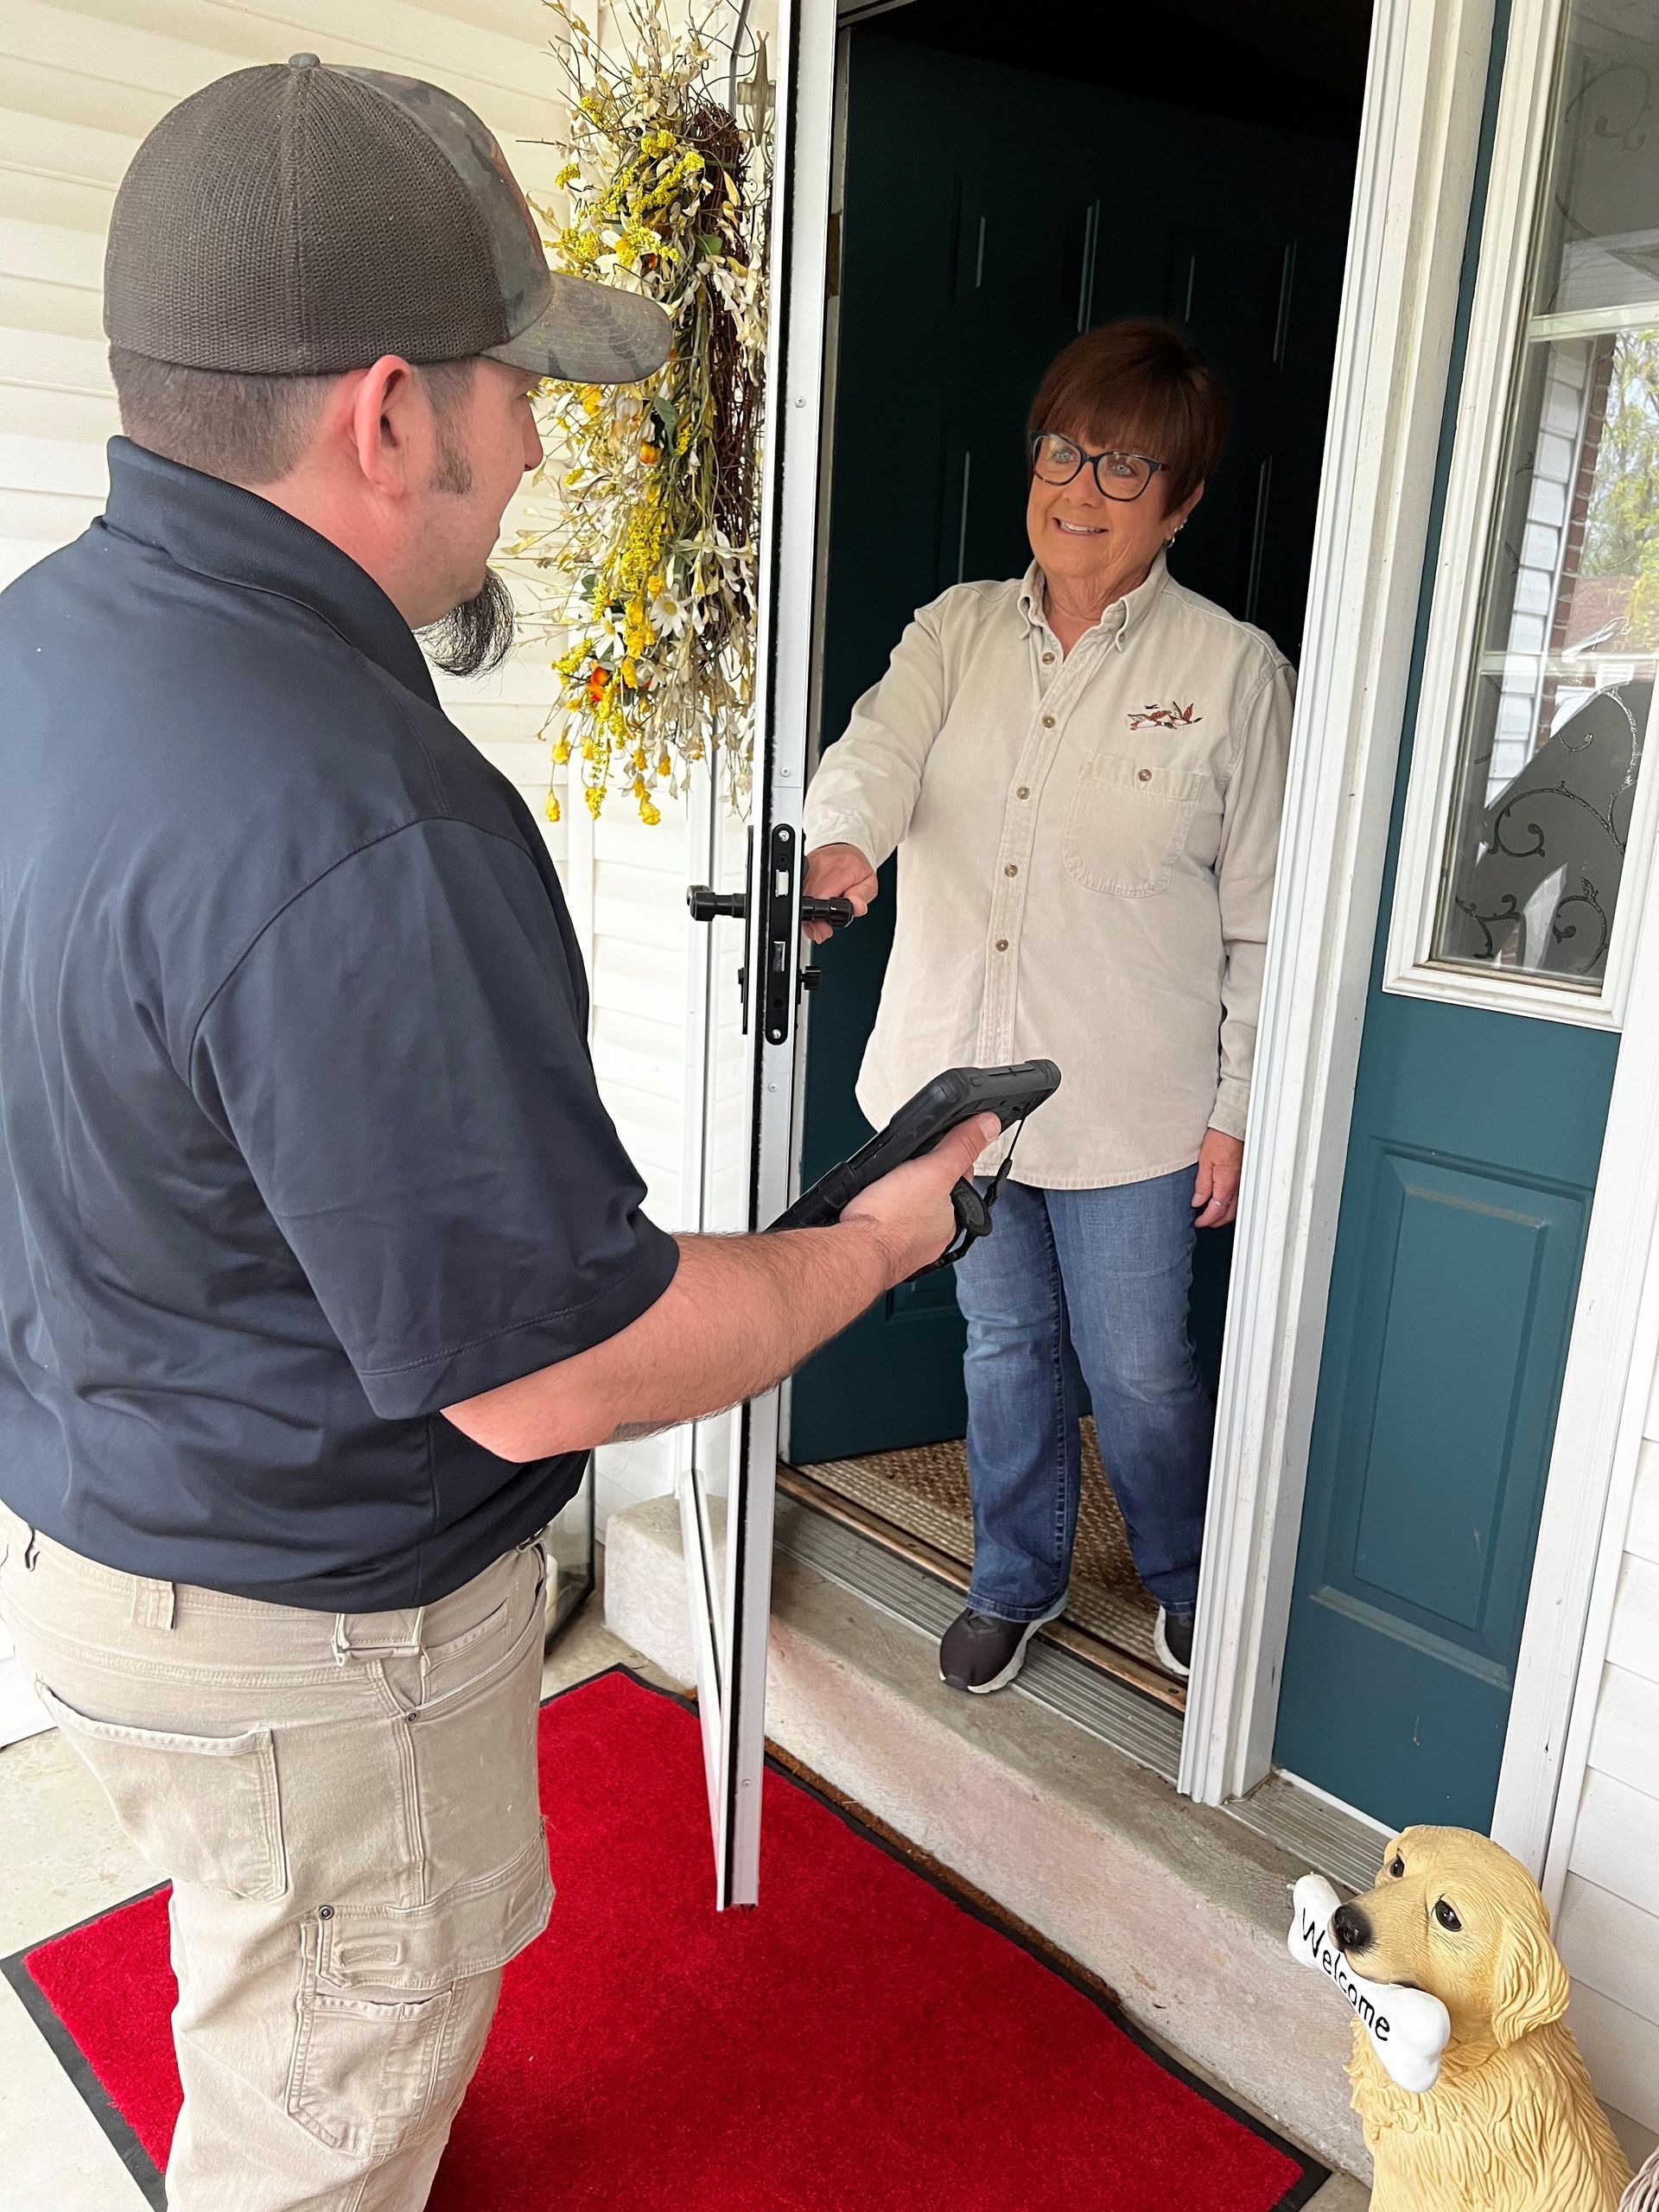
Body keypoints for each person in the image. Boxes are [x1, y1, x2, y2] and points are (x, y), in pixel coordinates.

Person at [0, 59, 991, 2212]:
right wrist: (880, 1247)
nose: (540, 438)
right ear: (384, 413)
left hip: (105, 1536)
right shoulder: (361, 817)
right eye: (512, 381)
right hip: (306, 1629)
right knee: (323, 2115)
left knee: (264, 1975)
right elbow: (555, 1356)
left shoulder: (41, 651)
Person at [803, 320, 1294, 1694]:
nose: (1077, 486)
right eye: (1063, 449)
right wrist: (840, 845)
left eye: (1125, 466)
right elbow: (877, 754)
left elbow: (1266, 915)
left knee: (1140, 1367)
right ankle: (1014, 1579)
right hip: (953, 1086)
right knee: (1006, 1341)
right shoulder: (957, 630)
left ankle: (1191, 1579)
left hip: (1130, 1101)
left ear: (1183, 502)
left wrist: (1241, 1109)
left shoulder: (1233, 675)